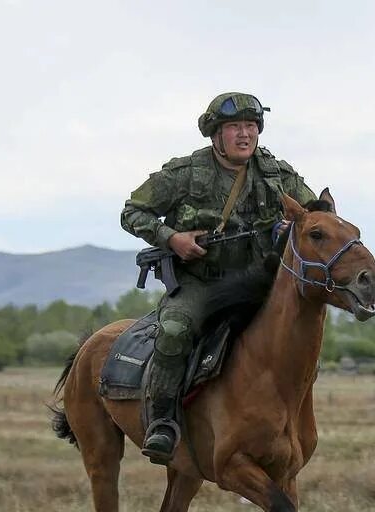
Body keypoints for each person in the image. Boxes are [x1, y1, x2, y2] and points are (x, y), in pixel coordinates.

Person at [120, 92, 317, 464]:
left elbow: (317, 215)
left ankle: (290, 423)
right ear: (216, 134)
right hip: (201, 283)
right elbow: (132, 213)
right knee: (175, 331)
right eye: (234, 128)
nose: (245, 135)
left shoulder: (277, 174)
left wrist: (294, 226)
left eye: (250, 127)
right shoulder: (184, 173)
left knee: (299, 336)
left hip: (259, 283)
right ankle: (162, 421)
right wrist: (171, 238)